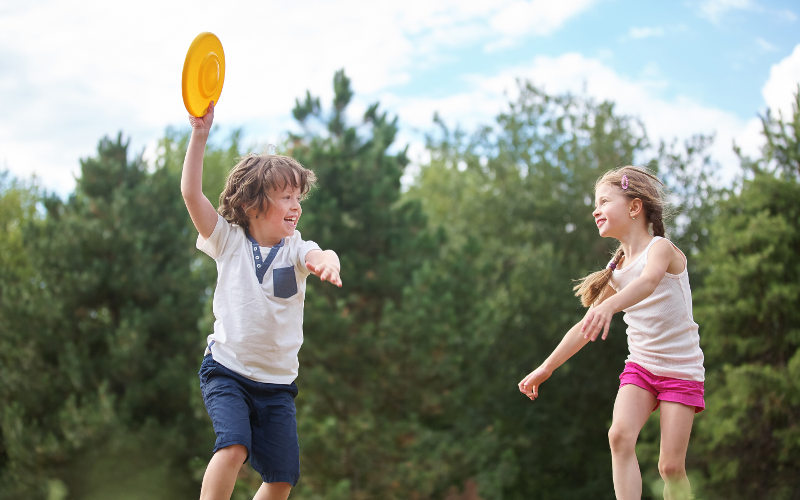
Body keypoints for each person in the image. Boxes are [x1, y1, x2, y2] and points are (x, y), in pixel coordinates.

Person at [182, 102, 342, 500]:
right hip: (228, 371)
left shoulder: (295, 249)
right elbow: (190, 193)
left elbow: (321, 255)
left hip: (277, 386)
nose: (296, 206)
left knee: (282, 476)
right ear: (253, 206)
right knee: (233, 447)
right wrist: (200, 134)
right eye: (286, 197)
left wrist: (327, 264)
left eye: (298, 197)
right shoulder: (228, 241)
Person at [517, 166, 704, 500]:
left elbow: (647, 283)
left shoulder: (661, 249)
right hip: (642, 367)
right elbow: (582, 329)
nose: (595, 209)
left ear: (634, 207)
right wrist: (546, 367)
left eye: (604, 201)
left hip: (680, 370)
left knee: (670, 468)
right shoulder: (615, 271)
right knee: (618, 436)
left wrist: (609, 306)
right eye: (595, 203)